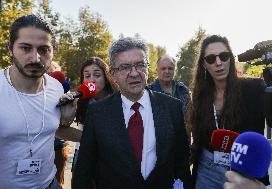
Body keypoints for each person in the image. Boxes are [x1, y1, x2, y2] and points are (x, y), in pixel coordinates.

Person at [72, 37, 192, 189]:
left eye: (140, 65)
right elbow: (84, 168)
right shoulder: (97, 113)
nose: (134, 73)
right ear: (113, 74)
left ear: (148, 69)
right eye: (125, 67)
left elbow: (181, 162)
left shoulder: (172, 108)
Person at [0, 14, 79, 189]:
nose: (35, 58)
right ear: (10, 48)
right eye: (26, 48)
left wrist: (66, 119)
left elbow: (53, 129)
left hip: (49, 184)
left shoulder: (56, 88)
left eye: (44, 50)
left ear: (53, 50)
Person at [187, 35, 269, 189]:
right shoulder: (200, 95)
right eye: (211, 59)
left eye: (224, 56)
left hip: (242, 171)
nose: (218, 63)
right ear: (204, 64)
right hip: (207, 169)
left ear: (230, 58)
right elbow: (198, 138)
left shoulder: (254, 88)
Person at [71, 57, 117, 179]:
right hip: (83, 154)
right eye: (87, 76)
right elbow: (62, 126)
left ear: (106, 78)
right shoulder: (79, 100)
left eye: (97, 75)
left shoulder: (118, 100)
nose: (92, 80)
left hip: (111, 157)